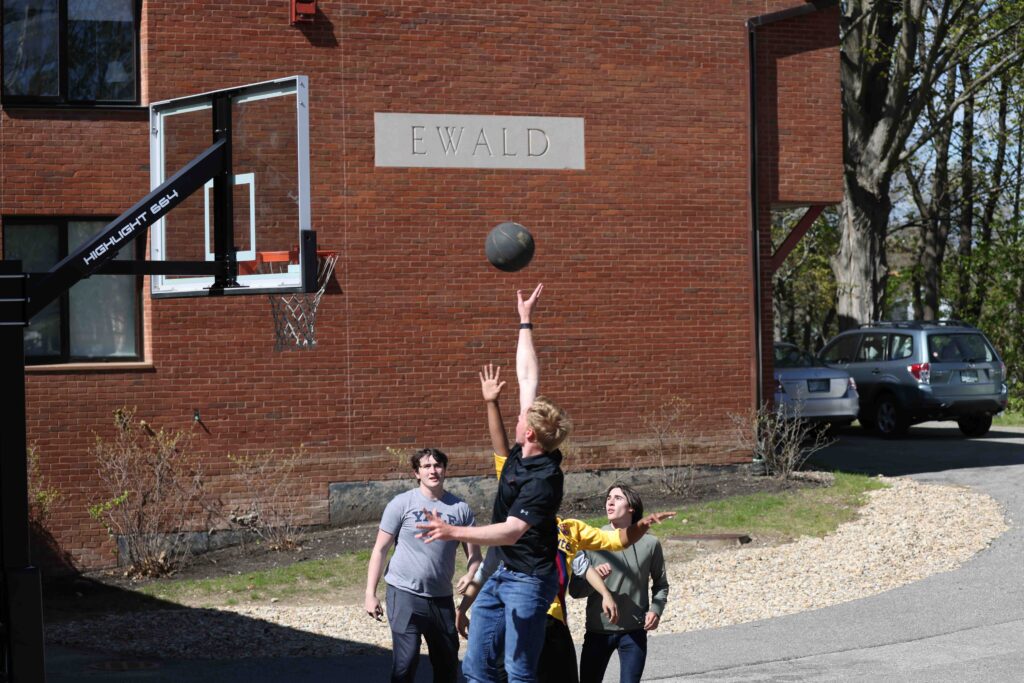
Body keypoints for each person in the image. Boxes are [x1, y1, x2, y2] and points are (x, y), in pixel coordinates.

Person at [453, 364, 677, 682]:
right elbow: (490, 570)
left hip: (552, 620)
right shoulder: (511, 512)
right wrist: (465, 605)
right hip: (515, 610)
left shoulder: (568, 528)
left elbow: (604, 548)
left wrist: (638, 529)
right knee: (490, 669)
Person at [416, 284, 569, 682]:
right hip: (503, 573)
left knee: (519, 671)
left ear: (531, 434)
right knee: (475, 666)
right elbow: (527, 375)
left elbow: (512, 530)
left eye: (522, 419)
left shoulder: (545, 479)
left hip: (531, 580)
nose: (518, 418)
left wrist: (453, 530)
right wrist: (524, 320)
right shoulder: (526, 449)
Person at [364, 447, 482, 683]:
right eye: (426, 466)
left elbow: (475, 557)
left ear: (445, 470)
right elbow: (380, 549)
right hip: (404, 593)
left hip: (441, 598)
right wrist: (370, 593)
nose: (433, 470)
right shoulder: (401, 504)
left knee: (448, 665)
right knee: (405, 664)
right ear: (416, 473)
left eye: (437, 465)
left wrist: (470, 574)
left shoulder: (460, 509)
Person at [570, 485, 669, 683]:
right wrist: (593, 578)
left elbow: (661, 584)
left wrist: (656, 610)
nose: (610, 501)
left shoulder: (650, 544)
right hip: (598, 632)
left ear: (631, 506)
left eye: (617, 498)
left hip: (634, 632)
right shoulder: (591, 541)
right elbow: (575, 591)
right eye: (608, 498)